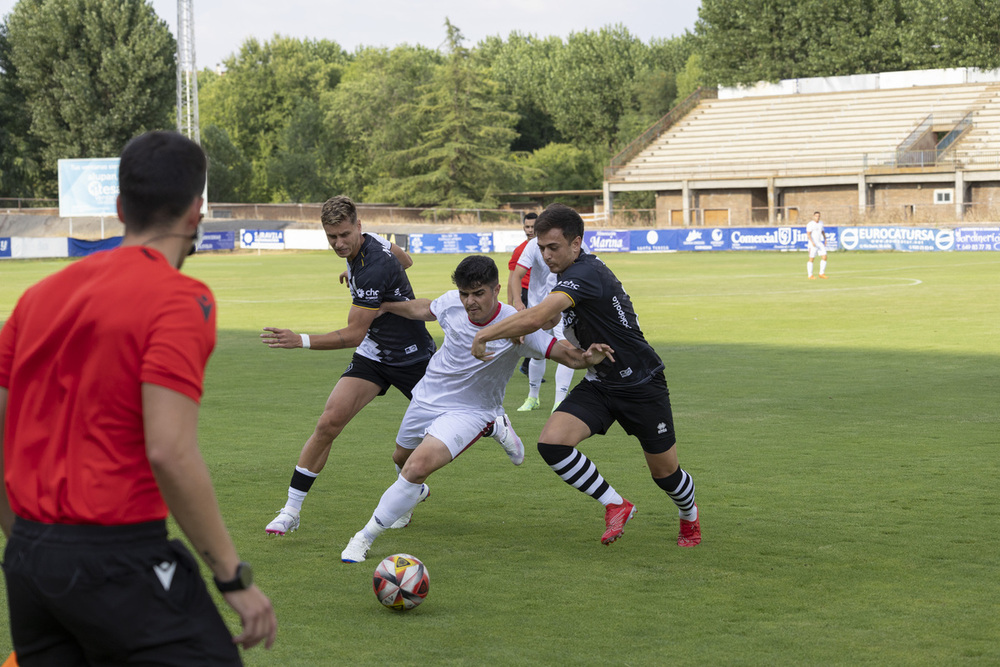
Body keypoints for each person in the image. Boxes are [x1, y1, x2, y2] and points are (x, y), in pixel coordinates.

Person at [0, 131, 277, 665]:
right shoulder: (180, 299)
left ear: (121, 207)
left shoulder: (37, 299)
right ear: (196, 214)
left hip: (31, 561)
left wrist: (29, 544)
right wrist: (232, 576)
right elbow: (169, 451)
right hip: (115, 557)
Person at [340, 255, 614, 563]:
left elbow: (567, 356)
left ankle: (363, 537)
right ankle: (490, 432)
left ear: (496, 289)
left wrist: (588, 358)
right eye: (464, 294)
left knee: (416, 467)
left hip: (471, 410)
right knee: (401, 459)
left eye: (478, 293)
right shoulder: (451, 304)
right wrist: (387, 307)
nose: (470, 301)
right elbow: (424, 309)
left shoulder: (518, 326)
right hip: (428, 396)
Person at [472, 203, 701, 548]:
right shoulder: (565, 275)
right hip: (601, 382)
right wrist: (526, 324)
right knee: (552, 442)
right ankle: (616, 504)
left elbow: (540, 318)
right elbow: (548, 320)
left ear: (576, 244)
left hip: (641, 384)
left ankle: (689, 516)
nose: (546, 255)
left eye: (554, 247)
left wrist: (485, 333)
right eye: (542, 248)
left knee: (665, 474)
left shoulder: (585, 274)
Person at [509, 217, 577, 413]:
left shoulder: (573, 244)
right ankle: (533, 397)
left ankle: (560, 401)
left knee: (567, 347)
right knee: (538, 352)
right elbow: (517, 275)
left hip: (564, 305)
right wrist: (518, 303)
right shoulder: (532, 246)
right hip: (538, 307)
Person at [508, 213, 536, 376]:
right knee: (528, 330)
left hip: (542, 293)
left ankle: (528, 364)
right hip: (525, 293)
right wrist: (511, 303)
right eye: (527, 226)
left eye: (533, 226)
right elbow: (512, 277)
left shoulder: (545, 247)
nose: (530, 230)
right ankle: (526, 364)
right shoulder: (520, 250)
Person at [806, 211, 828, 279]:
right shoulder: (810, 224)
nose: (817, 217)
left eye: (818, 216)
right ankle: (810, 275)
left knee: (824, 257)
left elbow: (822, 231)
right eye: (816, 216)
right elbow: (808, 234)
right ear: (813, 216)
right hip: (813, 243)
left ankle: (821, 273)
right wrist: (812, 242)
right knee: (811, 259)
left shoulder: (821, 223)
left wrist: (825, 238)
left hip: (819, 243)